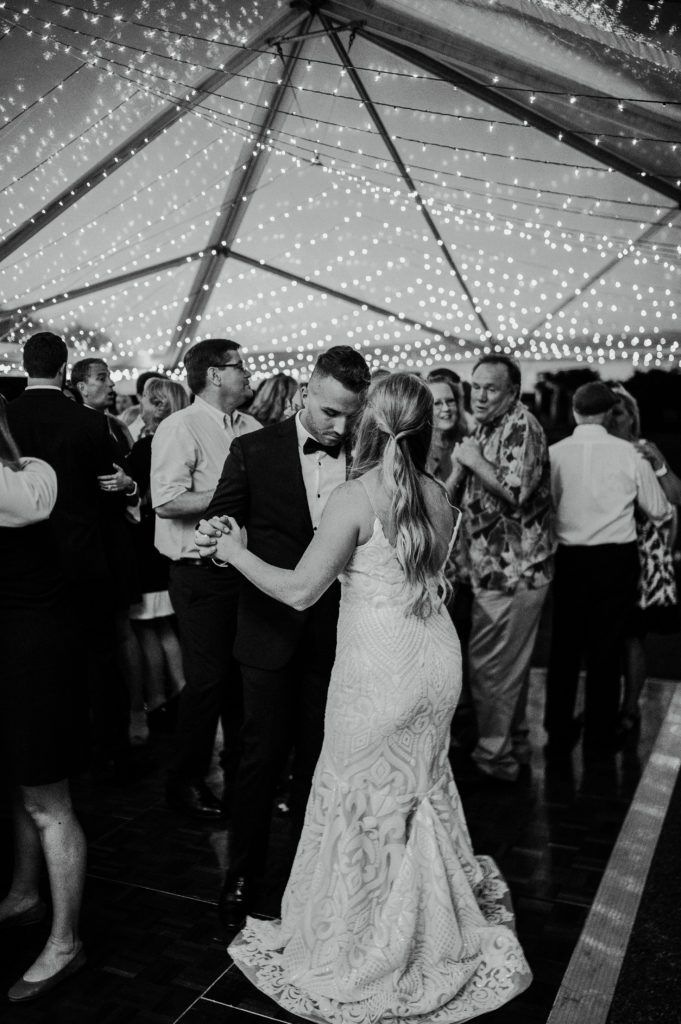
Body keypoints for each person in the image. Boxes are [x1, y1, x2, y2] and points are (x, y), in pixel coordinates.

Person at [196, 373, 531, 1023]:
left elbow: (299, 591)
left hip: (378, 672)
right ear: (427, 430)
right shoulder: (439, 493)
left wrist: (234, 551)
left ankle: (368, 940)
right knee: (415, 796)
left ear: (365, 426)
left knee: (361, 804)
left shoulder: (355, 495)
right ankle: (420, 919)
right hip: (434, 667)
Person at [201, 345, 370, 928]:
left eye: (350, 414)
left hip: (340, 638)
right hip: (268, 634)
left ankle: (306, 874)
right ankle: (242, 872)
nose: (339, 426)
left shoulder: (367, 455)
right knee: (259, 760)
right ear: (304, 393)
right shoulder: (253, 449)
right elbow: (223, 522)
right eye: (329, 412)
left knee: (319, 763)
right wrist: (219, 538)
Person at [7, 333, 135, 779]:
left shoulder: (8, 416)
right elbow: (108, 489)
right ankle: (107, 749)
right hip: (82, 557)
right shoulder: (85, 422)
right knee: (99, 656)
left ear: (27, 364)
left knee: (37, 662)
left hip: (23, 561)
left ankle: (47, 747)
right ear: (64, 368)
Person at [151, 338, 260, 819]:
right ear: (216, 375)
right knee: (208, 681)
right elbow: (167, 501)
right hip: (198, 574)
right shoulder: (181, 427)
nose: (249, 375)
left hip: (245, 570)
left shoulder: (252, 427)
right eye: (241, 367)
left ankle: (242, 777)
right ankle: (184, 781)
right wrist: (231, 492)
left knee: (242, 678)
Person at [0, 400, 87, 1003]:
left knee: (47, 800)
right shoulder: (33, 470)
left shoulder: (24, 487)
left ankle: (66, 942)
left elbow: (31, 500)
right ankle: (26, 893)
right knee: (21, 783)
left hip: (29, 650)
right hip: (21, 642)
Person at [546, 381, 671, 758]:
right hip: (616, 561)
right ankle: (600, 736)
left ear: (575, 411)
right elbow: (659, 509)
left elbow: (548, 506)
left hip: (570, 559)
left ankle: (558, 731)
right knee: (606, 649)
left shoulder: (555, 452)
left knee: (564, 649)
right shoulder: (628, 454)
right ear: (607, 412)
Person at [449, 355, 554, 783]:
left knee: (489, 667)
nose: (480, 395)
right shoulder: (488, 426)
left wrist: (473, 461)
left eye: (491, 388)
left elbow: (517, 491)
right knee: (508, 667)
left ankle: (494, 758)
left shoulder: (521, 426)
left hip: (515, 572)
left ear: (513, 392)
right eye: (476, 386)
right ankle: (515, 745)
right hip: (497, 570)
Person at [607, 386, 679, 741]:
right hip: (605, 552)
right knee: (608, 636)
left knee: (631, 636)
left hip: (638, 555)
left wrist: (660, 462)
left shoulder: (642, 450)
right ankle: (606, 704)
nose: (612, 418)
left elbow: (675, 497)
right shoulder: (599, 450)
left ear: (632, 416)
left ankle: (630, 706)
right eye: (608, 411)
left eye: (619, 412)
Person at [126, 377, 190, 744]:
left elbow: (134, 492)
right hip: (165, 545)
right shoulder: (179, 438)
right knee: (164, 627)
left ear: (160, 406)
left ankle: (159, 698)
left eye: (146, 403)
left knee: (148, 628)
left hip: (146, 543)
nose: (141, 408)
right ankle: (180, 694)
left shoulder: (149, 444)